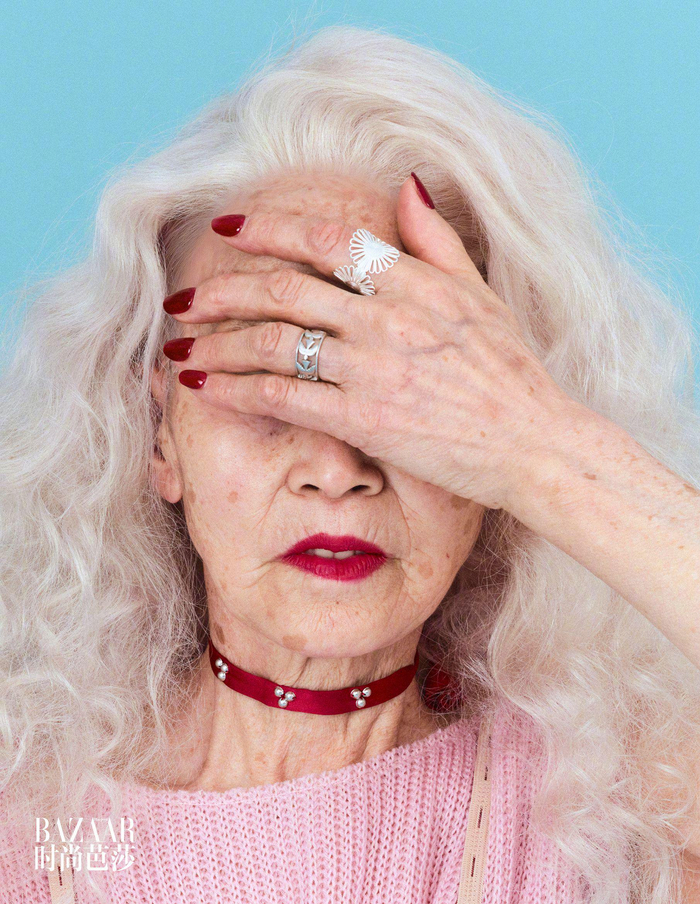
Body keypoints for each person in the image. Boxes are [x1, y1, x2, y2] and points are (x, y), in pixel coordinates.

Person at [1, 24, 699, 904]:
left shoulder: (613, 812)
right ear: (159, 437)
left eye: (410, 392)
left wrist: (547, 448)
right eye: (261, 377)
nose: (336, 471)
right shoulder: (37, 828)